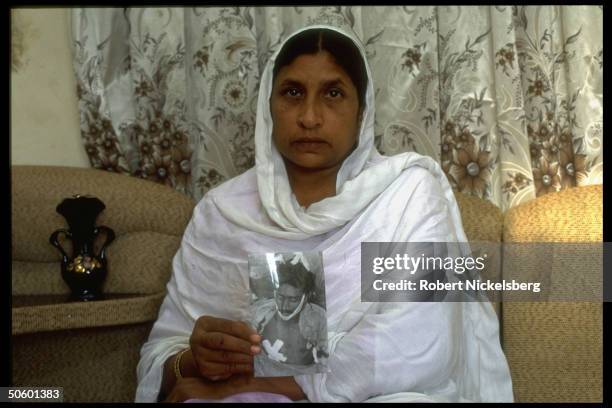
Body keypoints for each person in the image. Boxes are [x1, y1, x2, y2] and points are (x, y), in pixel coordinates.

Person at [135, 24, 513, 403]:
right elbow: (163, 357)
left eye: (333, 93)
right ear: (269, 105)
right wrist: (194, 362)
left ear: (362, 111)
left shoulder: (406, 193)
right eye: (293, 92)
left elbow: (418, 344)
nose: (310, 117)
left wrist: (262, 385)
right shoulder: (222, 212)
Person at [252, 255, 328, 374]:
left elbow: (326, 362)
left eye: (293, 300)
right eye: (280, 297)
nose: (284, 306)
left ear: (306, 297)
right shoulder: (260, 312)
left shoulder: (318, 318)